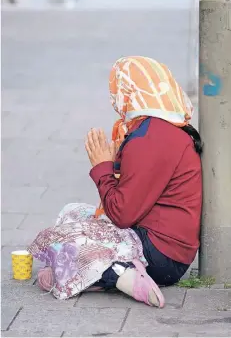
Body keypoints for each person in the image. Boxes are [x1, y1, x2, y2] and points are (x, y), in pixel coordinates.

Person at [28, 56, 202, 308]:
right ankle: (99, 273)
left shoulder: (151, 137)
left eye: (117, 91)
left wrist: (102, 167)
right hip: (167, 249)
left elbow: (122, 214)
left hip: (160, 257)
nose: (114, 100)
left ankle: (120, 275)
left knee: (68, 243)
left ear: (131, 93)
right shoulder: (161, 127)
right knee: (72, 213)